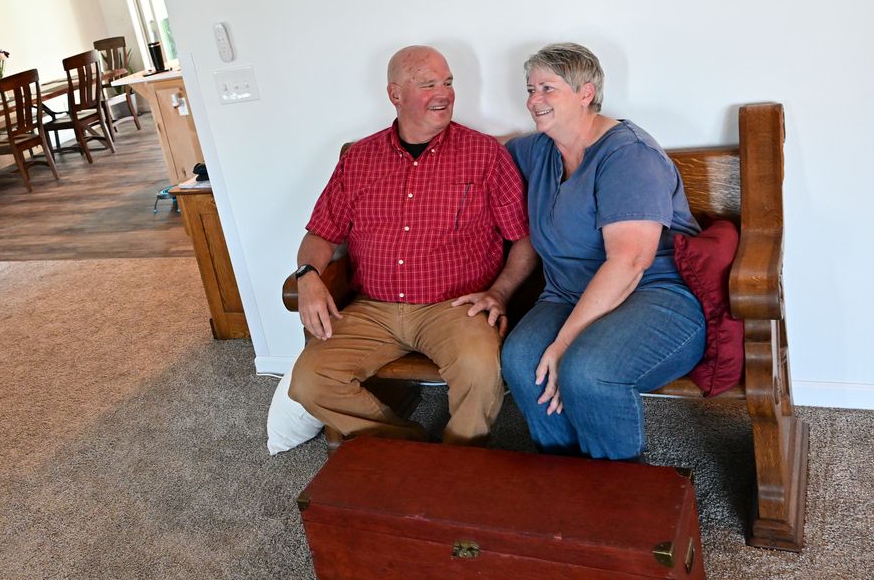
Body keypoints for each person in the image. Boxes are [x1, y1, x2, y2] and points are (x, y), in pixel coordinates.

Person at [288, 45, 533, 445]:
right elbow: (320, 233)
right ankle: (410, 452)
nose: (444, 93)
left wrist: (500, 293)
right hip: (373, 308)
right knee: (309, 381)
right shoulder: (359, 159)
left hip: (454, 307)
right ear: (395, 94)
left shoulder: (485, 154)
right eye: (428, 84)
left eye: (449, 82)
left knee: (479, 369)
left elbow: (524, 239)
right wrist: (308, 275)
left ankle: (458, 463)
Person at [500, 43, 706, 461]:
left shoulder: (629, 154)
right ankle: (566, 479)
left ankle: (618, 496)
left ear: (585, 92)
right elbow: (477, 151)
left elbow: (629, 262)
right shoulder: (539, 149)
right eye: (530, 89)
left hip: (653, 295)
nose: (533, 101)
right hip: (566, 294)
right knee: (521, 361)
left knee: (587, 372)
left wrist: (563, 344)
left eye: (547, 89)